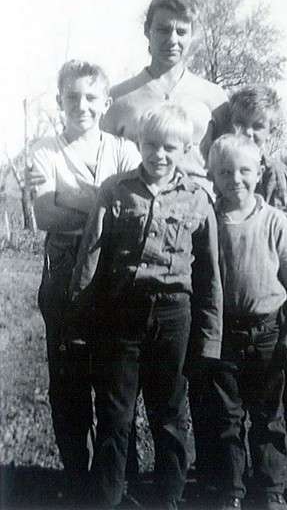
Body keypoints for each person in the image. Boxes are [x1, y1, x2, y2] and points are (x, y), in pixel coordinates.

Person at [66, 104, 223, 509]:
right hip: (122, 315)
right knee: (115, 414)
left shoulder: (198, 199)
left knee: (168, 414)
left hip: (174, 317)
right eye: (151, 145)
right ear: (139, 143)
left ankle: (168, 498)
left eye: (170, 147)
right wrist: (79, 322)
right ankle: (108, 497)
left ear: (185, 149)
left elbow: (209, 275)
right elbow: (90, 258)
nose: (159, 155)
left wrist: (210, 337)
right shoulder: (115, 191)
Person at [31, 60, 141, 503]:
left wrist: (71, 199)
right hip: (62, 274)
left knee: (116, 383)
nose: (82, 105)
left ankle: (117, 482)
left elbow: (132, 213)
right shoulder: (45, 150)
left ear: (106, 103)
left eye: (91, 97)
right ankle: (77, 480)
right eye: (72, 97)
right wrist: (102, 203)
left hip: (114, 277)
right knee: (69, 383)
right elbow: (44, 214)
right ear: (60, 101)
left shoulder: (124, 150)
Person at [226, 85, 287, 508]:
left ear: (270, 132)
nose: (249, 134)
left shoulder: (278, 171)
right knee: (247, 395)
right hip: (245, 296)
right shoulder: (224, 167)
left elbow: (286, 226)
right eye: (241, 124)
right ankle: (247, 477)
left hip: (280, 292)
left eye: (259, 127)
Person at [207, 133, 287, 510]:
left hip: (267, 330)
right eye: (225, 172)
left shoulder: (273, 221)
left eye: (244, 171)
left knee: (268, 415)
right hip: (223, 335)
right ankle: (232, 490)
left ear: (258, 173)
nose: (235, 179)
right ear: (213, 176)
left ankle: (271, 489)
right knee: (227, 416)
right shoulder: (209, 221)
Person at [102, 0, 228, 194]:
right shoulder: (117, 98)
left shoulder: (215, 98)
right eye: (163, 30)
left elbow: (235, 161)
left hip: (199, 207)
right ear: (147, 30)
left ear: (192, 35)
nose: (172, 40)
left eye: (181, 32)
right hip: (135, 208)